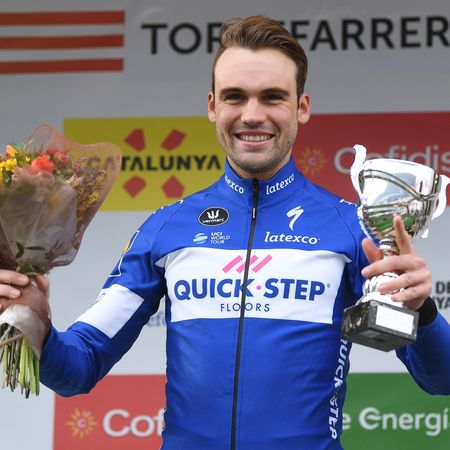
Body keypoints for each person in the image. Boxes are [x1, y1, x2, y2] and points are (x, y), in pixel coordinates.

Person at [1, 15, 450, 450]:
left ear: (302, 107)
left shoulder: (353, 228)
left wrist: (422, 312)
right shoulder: (166, 227)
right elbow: (78, 368)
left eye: (272, 97)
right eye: (235, 97)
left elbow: (440, 379)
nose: (252, 115)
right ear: (213, 106)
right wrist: (33, 320)